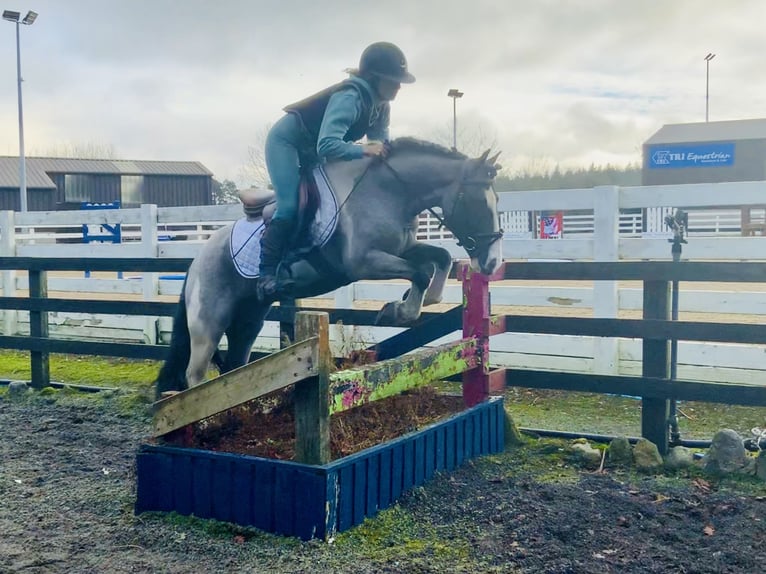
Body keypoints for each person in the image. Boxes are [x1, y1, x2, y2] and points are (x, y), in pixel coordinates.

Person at [257, 41, 416, 298]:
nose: (399, 86)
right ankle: (266, 275)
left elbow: (379, 144)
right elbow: (327, 145)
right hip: (287, 143)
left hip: (313, 148)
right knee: (289, 204)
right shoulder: (350, 97)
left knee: (331, 200)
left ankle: (308, 255)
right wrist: (364, 150)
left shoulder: (381, 105)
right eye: (394, 80)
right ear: (375, 78)